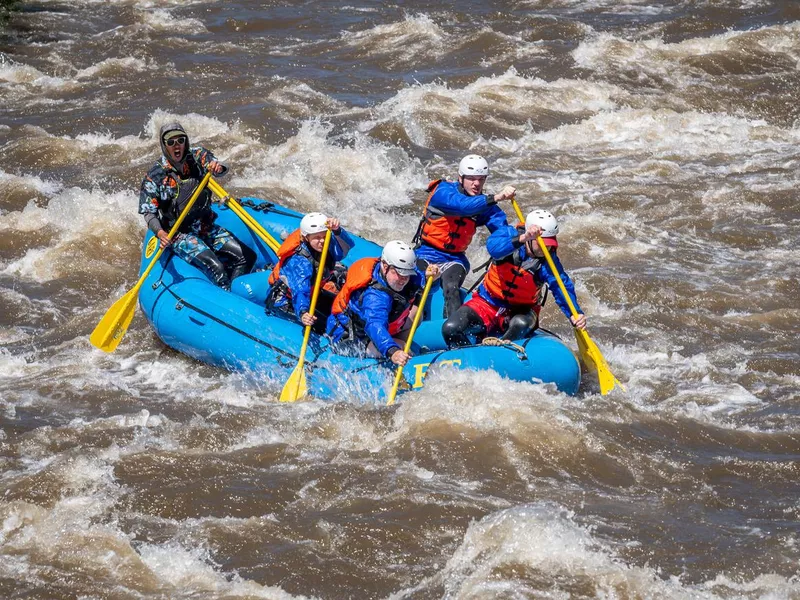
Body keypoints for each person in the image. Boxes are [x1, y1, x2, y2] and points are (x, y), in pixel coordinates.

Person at [442, 209, 586, 347]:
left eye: (549, 244)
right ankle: (469, 356)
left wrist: (575, 313)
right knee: (450, 329)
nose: (546, 249)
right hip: (486, 304)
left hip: (521, 311)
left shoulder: (549, 260)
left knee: (520, 324)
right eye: (542, 243)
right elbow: (494, 248)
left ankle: (499, 351)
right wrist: (522, 239)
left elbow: (561, 286)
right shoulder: (509, 234)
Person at [138, 122, 253, 290]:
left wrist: (217, 167)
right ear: (164, 146)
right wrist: (160, 232)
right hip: (179, 233)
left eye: (180, 140)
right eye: (171, 142)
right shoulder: (155, 176)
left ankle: (236, 294)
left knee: (247, 257)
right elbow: (149, 212)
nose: (177, 146)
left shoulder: (198, 155)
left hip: (205, 226)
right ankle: (224, 299)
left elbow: (219, 167)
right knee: (217, 268)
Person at [414, 154, 516, 318]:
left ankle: (450, 333)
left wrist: (520, 238)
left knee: (452, 287)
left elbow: (501, 230)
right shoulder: (443, 191)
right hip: (425, 252)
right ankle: (417, 325)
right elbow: (462, 206)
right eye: (471, 179)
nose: (476, 184)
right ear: (460, 178)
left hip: (454, 259)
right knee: (419, 283)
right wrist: (497, 197)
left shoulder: (485, 205)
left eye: (481, 179)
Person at [326, 241, 440, 366]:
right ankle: (396, 354)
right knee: (401, 347)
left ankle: (398, 347)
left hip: (378, 325)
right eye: (400, 274)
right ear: (385, 267)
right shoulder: (374, 297)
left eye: (407, 275)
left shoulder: (401, 271)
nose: (403, 280)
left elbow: (424, 284)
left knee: (416, 314)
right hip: (351, 336)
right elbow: (375, 325)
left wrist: (432, 279)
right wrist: (393, 351)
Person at [266, 212, 354, 333]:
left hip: (313, 293)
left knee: (345, 312)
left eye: (324, 236)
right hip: (287, 301)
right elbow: (300, 290)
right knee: (329, 327)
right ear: (306, 238)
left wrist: (337, 230)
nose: (322, 241)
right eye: (317, 237)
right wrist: (303, 313)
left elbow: (344, 249)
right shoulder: (300, 262)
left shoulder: (325, 245)